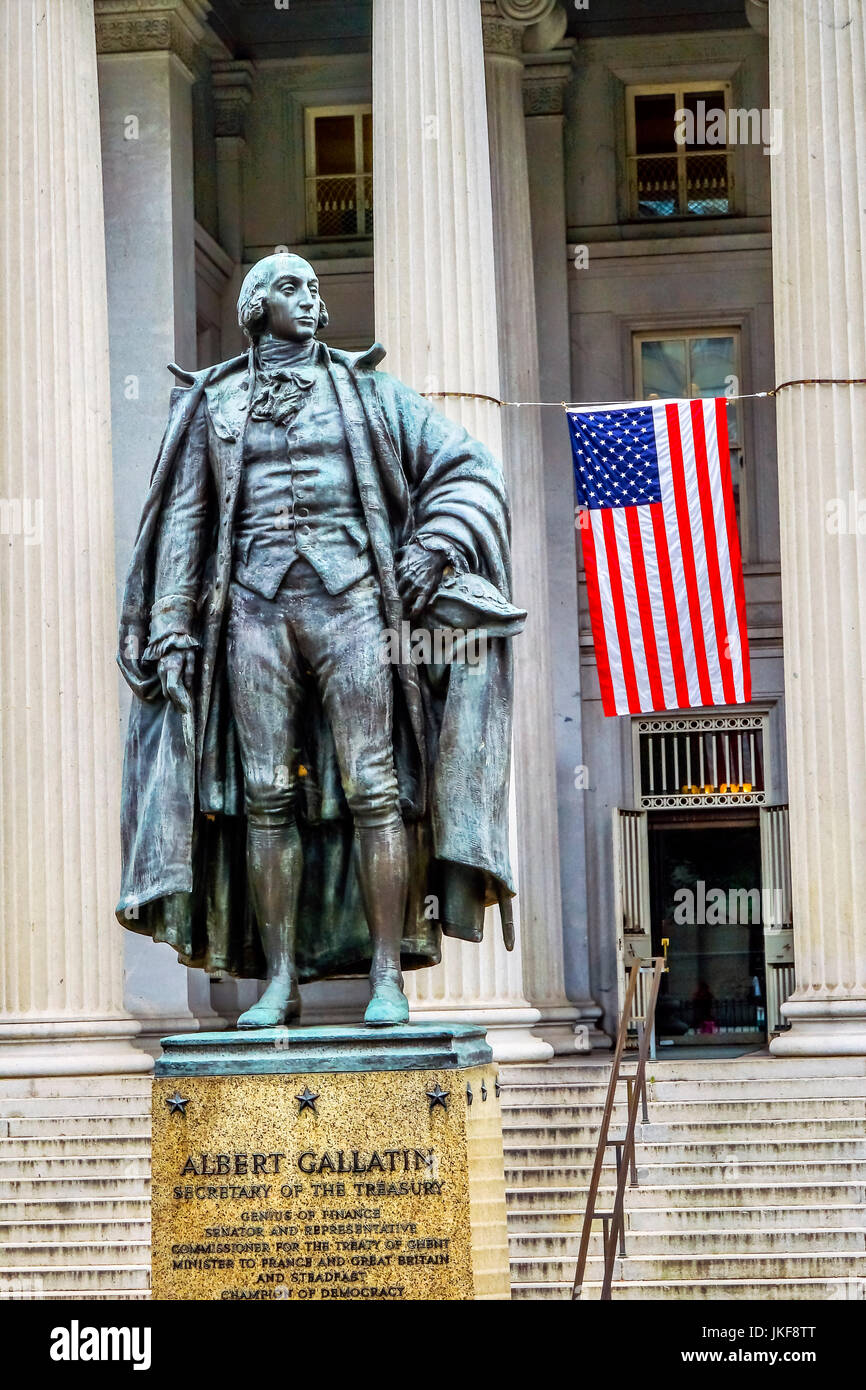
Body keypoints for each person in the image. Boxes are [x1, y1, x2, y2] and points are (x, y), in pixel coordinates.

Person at [117, 253, 521, 1028]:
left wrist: (435, 542)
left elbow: (468, 467)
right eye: (292, 289)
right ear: (256, 305)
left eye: (313, 288)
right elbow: (189, 520)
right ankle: (278, 979)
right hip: (252, 611)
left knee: (375, 789)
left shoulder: (368, 390)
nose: (312, 300)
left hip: (354, 608)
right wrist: (171, 624)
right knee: (267, 796)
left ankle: (385, 975)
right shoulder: (218, 402)